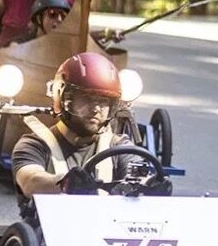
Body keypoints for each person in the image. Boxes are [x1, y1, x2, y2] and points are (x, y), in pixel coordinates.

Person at [11, 53, 153, 213]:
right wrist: (65, 183)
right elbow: (31, 181)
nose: (96, 109)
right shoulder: (33, 145)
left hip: (104, 231)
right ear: (62, 98)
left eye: (104, 101)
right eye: (86, 99)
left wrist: (149, 185)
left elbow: (135, 175)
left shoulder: (119, 146)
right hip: (47, 233)